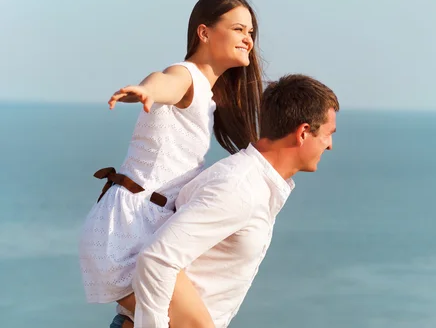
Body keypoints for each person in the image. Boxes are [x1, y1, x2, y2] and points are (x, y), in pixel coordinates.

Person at [79, 0, 263, 328]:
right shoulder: (187, 76)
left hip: (143, 221)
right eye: (238, 29)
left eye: (250, 32)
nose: (248, 39)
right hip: (129, 227)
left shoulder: (209, 95)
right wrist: (147, 91)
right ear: (204, 32)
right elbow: (165, 82)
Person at [123, 74, 339, 328]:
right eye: (327, 134)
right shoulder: (238, 187)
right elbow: (156, 259)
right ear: (303, 132)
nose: (330, 145)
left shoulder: (255, 185)